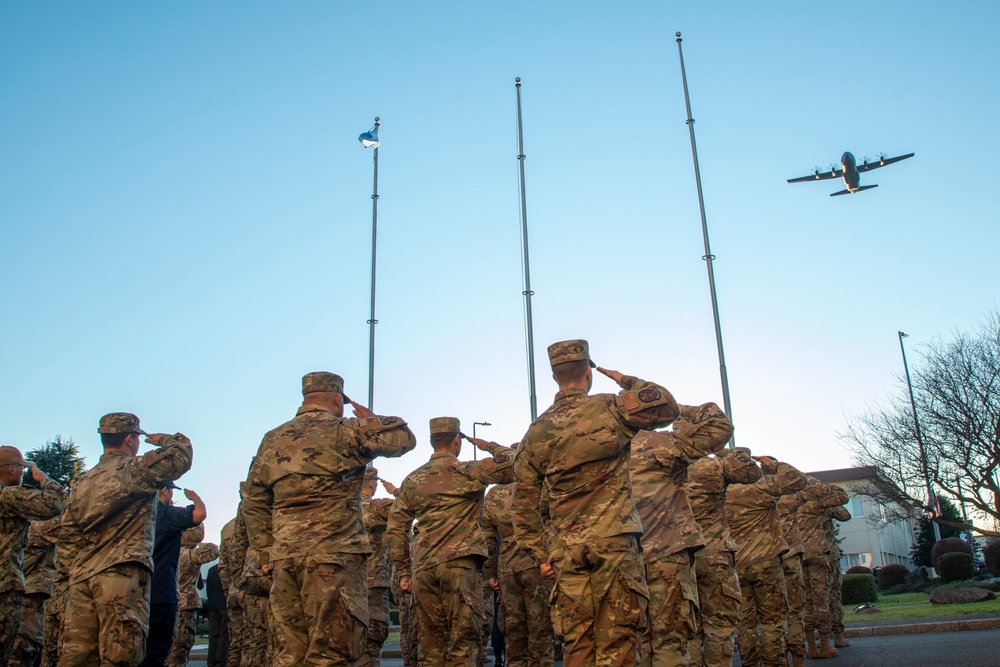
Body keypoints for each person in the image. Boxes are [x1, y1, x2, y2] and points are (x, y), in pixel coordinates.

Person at [512, 339, 680, 667]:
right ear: (588, 373)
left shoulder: (535, 432)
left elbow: (523, 504)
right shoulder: (610, 408)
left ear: (554, 377)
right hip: (613, 541)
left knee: (578, 643)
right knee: (618, 640)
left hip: (566, 551)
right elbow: (667, 405)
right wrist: (624, 380)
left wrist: (541, 555)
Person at [242, 372, 416, 667]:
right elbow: (403, 440)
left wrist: (264, 551)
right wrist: (369, 417)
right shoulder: (345, 431)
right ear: (338, 399)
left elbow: (254, 499)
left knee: (289, 654)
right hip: (334, 557)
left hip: (285, 559)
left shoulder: (272, 439)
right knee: (331, 653)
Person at [57, 412, 193, 666]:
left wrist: (70, 575)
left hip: (82, 580)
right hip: (120, 577)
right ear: (130, 439)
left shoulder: (83, 483)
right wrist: (163, 439)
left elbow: (68, 537)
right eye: (138, 438)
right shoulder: (133, 470)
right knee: (121, 656)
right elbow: (181, 455)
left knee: (77, 657)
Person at [386, 418, 515, 667]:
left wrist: (403, 570)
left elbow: (395, 529)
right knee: (463, 642)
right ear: (458, 440)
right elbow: (517, 460)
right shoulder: (469, 471)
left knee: (429, 644)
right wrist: (489, 446)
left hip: (423, 569)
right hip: (460, 567)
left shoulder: (412, 480)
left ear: (432, 442)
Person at [629, 403, 733, 667]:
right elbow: (721, 426)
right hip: (667, 553)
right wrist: (678, 408)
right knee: (671, 642)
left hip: (623, 559)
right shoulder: (662, 445)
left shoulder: (601, 448)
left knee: (635, 642)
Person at [726, 457, 811, 667]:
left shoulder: (724, 492)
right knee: (771, 621)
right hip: (766, 563)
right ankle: (775, 663)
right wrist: (775, 465)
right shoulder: (761, 488)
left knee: (745, 625)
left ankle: (751, 664)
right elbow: (798, 480)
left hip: (738, 564)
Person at [685, 448, 761, 667]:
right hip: (714, 555)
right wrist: (729, 452)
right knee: (719, 626)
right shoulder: (714, 467)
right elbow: (752, 472)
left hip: (679, 556)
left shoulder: (665, 462)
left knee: (688, 629)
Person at [0, 446, 67, 662]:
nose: (23, 472)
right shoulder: (8, 496)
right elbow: (55, 504)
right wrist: (44, 479)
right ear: (11, 469)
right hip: (4, 588)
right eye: (21, 468)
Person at [482, 482, 554, 667]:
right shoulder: (541, 485)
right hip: (540, 563)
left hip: (508, 568)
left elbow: (488, 538)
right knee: (541, 631)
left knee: (514, 634)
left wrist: (491, 573)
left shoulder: (494, 494)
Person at [141, 482, 207, 667]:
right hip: (162, 593)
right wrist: (195, 498)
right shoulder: (166, 514)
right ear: (165, 490)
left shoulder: (138, 516)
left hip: (137, 593)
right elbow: (199, 514)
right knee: (157, 653)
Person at [797, 481, 849, 659]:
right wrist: (829, 490)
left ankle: (818, 642)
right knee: (823, 598)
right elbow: (845, 513)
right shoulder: (818, 503)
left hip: (802, 555)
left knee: (810, 600)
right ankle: (826, 641)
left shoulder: (790, 502)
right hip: (821, 554)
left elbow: (844, 514)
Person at [9, 516, 62, 667]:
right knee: (21, 652)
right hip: (26, 601)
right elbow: (69, 518)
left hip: (24, 598)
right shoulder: (32, 529)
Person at [167, 527, 219, 667]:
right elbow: (213, 551)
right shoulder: (189, 556)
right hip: (185, 607)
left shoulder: (165, 551)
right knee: (180, 651)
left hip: (166, 604)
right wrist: (200, 543)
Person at [360, 466, 394, 667]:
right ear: (373, 484)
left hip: (344, 583)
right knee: (373, 637)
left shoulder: (343, 509)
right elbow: (409, 505)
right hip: (373, 581)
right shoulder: (377, 509)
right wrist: (394, 492)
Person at [205, 563, 229, 667]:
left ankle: (211, 661)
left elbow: (208, 589)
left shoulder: (211, 570)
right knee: (223, 634)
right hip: (224, 604)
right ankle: (221, 660)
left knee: (213, 635)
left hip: (213, 606)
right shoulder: (228, 569)